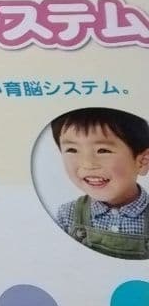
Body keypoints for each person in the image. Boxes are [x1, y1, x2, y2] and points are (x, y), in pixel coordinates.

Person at [52, 107, 149, 259]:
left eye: (103, 150)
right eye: (72, 150)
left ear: (142, 162)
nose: (87, 164)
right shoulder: (67, 214)